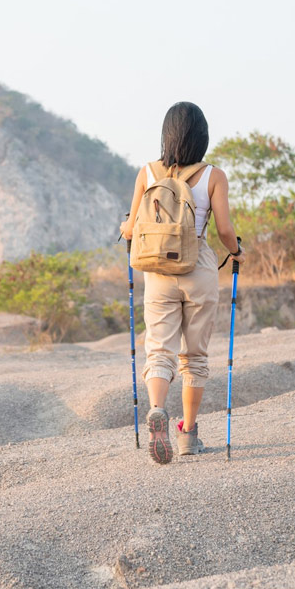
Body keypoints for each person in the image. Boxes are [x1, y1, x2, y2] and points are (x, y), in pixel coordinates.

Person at [119, 102, 243, 464]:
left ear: (166, 134)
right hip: (199, 266)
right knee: (195, 356)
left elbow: (132, 227)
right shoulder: (213, 176)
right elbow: (224, 230)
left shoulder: (147, 172)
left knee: (159, 350)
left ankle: (158, 407)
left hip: (157, 271)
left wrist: (124, 228)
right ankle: (188, 434)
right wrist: (238, 252)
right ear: (202, 137)